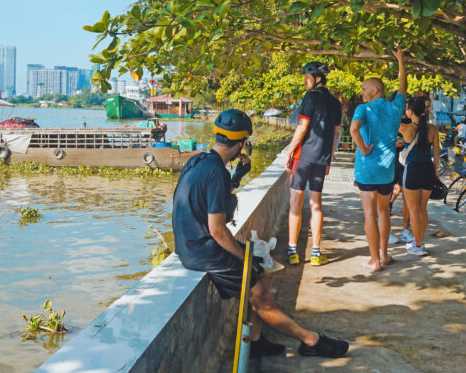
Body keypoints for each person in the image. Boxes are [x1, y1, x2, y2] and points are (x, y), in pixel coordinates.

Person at [172, 109, 350, 360]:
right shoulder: (216, 172)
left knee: (263, 274)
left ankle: (255, 340)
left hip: (190, 245)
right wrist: (245, 257)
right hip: (204, 251)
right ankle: (311, 340)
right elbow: (217, 230)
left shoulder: (199, 162)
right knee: (262, 295)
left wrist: (237, 178)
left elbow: (211, 200)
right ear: (242, 143)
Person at [350, 50, 408, 272]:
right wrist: (401, 60)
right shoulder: (395, 108)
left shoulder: (363, 109)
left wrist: (363, 148)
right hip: (386, 171)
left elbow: (354, 128)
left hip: (366, 171)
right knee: (384, 211)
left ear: (374, 91)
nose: (362, 93)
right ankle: (384, 255)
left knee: (369, 213)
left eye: (364, 89)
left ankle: (374, 261)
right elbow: (403, 86)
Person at [283, 62, 343, 266]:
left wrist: (290, 152)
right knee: (316, 205)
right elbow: (335, 134)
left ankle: (292, 251)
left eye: (307, 77)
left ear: (318, 78)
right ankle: (316, 254)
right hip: (321, 159)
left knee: (295, 203)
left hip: (303, 157)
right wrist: (329, 157)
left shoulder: (310, 97)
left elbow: (302, 126)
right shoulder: (336, 103)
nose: (304, 81)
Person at [398, 96, 440, 255]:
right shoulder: (433, 129)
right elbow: (436, 156)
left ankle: (418, 244)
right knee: (423, 209)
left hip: (413, 170)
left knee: (413, 210)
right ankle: (419, 241)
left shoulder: (405, 128)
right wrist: (435, 173)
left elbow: (392, 121)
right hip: (428, 170)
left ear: (411, 111)